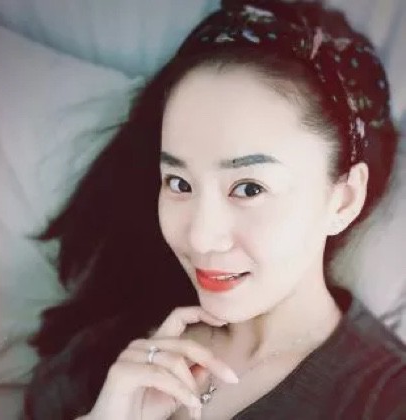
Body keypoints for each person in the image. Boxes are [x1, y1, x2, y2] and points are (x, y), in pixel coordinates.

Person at [23, 0, 405, 419]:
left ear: (343, 200)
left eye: (249, 188)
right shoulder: (110, 344)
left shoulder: (384, 400)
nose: (200, 238)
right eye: (179, 183)